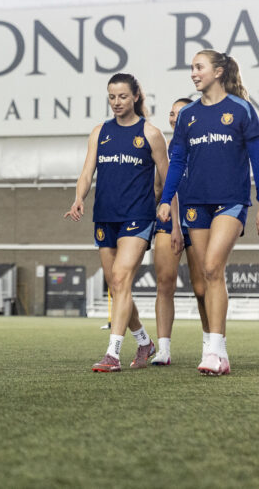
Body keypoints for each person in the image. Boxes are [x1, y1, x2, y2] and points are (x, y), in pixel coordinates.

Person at [157, 50, 259, 376]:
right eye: (192, 68)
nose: (193, 73)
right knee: (206, 277)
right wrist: (167, 200)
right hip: (195, 203)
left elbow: (258, 162)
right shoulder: (187, 116)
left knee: (212, 266)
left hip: (231, 201)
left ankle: (217, 351)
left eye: (199, 67)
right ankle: (213, 347)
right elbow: (177, 160)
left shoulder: (241, 110)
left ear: (218, 71)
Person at [65, 73, 168, 373]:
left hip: (137, 216)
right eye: (111, 97)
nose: (116, 102)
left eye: (122, 96)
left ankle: (113, 354)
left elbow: (167, 175)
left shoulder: (151, 133)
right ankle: (144, 342)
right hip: (104, 216)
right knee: (116, 285)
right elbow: (86, 173)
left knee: (121, 279)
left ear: (135, 96)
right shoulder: (100, 132)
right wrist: (78, 198)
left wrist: (165, 207)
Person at [150, 97, 210, 366]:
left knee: (202, 288)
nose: (174, 118)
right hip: (168, 220)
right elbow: (159, 186)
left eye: (180, 113)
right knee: (164, 283)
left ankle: (212, 343)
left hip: (199, 219)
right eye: (171, 114)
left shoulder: (204, 144)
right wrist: (165, 216)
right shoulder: (167, 147)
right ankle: (163, 349)